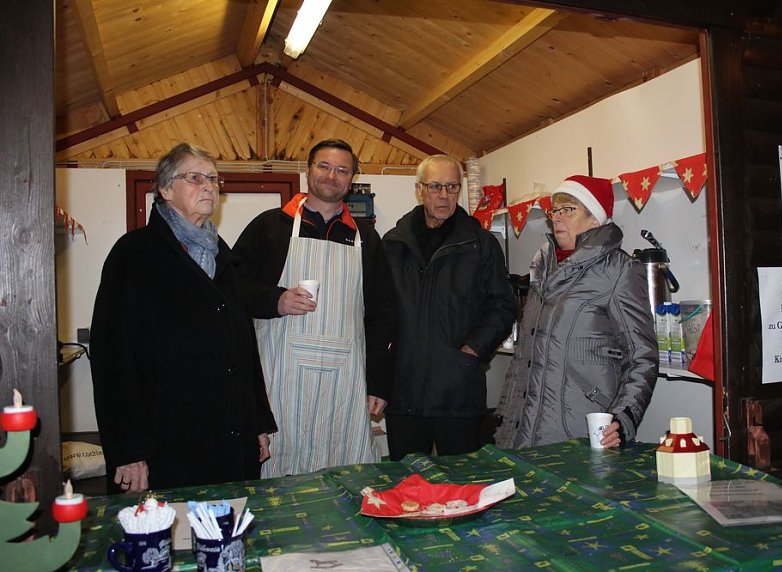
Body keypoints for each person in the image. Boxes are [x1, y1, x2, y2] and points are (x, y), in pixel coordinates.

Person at [90, 142, 277, 493]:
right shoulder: (134, 255)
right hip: (167, 445)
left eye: (214, 179)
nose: (209, 186)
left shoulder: (224, 257)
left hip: (229, 441)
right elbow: (112, 360)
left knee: (231, 537)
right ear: (164, 189)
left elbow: (244, 350)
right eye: (195, 178)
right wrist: (129, 451)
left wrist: (258, 424)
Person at [233, 139, 397, 476]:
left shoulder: (365, 237)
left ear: (351, 179)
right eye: (324, 166)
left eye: (342, 170)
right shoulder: (270, 227)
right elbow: (232, 291)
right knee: (280, 469)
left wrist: (378, 382)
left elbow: (383, 313)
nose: (331, 176)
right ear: (308, 171)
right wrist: (274, 300)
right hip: (280, 379)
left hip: (345, 380)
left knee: (345, 474)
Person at [494, 175, 658, 450]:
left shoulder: (620, 270)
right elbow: (525, 358)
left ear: (595, 217)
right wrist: (505, 419)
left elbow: (642, 356)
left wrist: (623, 418)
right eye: (554, 210)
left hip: (579, 431)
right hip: (522, 430)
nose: (556, 218)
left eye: (568, 210)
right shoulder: (544, 268)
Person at [382, 154, 516, 461]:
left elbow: (502, 307)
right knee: (407, 488)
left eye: (452, 187)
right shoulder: (393, 245)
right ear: (420, 190)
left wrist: (471, 351)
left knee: (462, 488)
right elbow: (378, 312)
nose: (444, 195)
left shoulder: (481, 245)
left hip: (458, 391)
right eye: (436, 186)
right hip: (404, 392)